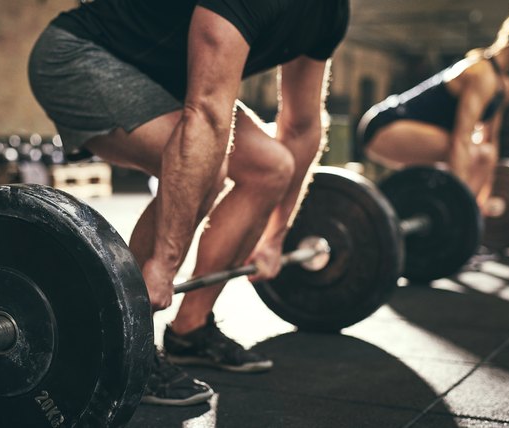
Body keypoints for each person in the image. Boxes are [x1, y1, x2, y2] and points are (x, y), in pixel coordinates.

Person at [28, 0, 349, 406]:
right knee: (204, 171)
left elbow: (302, 125)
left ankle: (190, 330)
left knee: (271, 166)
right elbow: (207, 113)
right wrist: (162, 264)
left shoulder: (330, 11)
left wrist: (276, 235)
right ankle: (121, 348)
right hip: (80, 56)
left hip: (165, 78)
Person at [358, 0, 509, 212]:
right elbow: (461, 140)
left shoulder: (504, 86)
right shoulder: (482, 74)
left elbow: (491, 143)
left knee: (484, 153)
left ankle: (463, 213)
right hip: (383, 127)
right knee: (471, 151)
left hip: (418, 134)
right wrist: (460, 206)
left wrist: (485, 198)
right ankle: (456, 211)